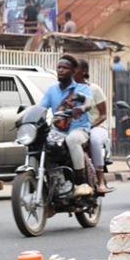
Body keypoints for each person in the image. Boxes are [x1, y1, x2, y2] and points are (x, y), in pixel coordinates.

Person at [40, 55, 94, 197]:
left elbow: (88, 103)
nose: (61, 70)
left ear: (74, 71)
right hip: (58, 130)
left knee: (72, 140)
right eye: (59, 67)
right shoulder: (51, 90)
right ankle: (54, 178)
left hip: (79, 129)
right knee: (43, 143)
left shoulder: (82, 88)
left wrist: (81, 108)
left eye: (65, 68)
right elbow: (41, 108)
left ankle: (80, 182)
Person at [73, 58, 110, 194]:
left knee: (93, 139)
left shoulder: (94, 89)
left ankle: (100, 180)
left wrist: (91, 126)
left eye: (75, 69)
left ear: (84, 72)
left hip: (97, 128)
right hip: (76, 128)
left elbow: (103, 114)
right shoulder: (68, 90)